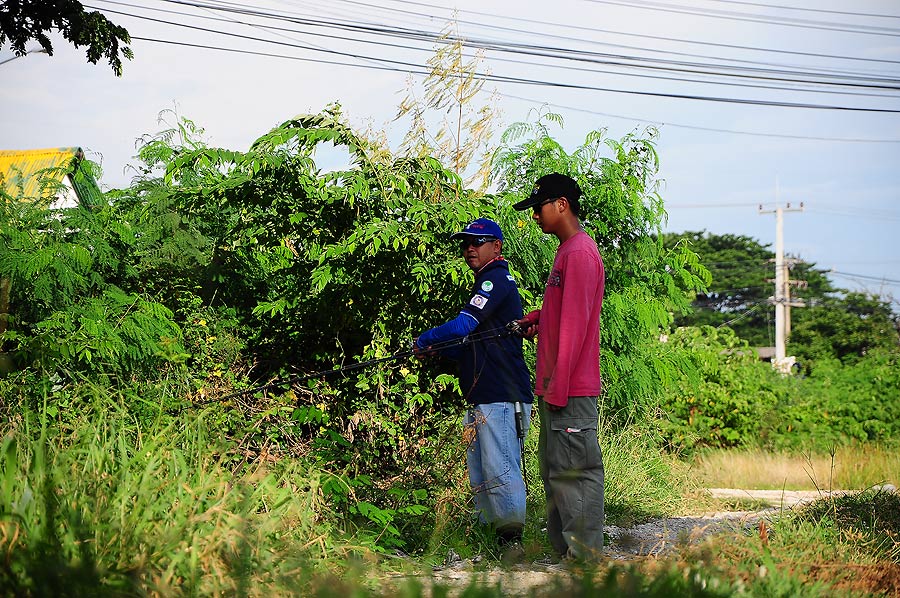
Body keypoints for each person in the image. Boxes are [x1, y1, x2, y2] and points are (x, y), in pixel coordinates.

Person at [414, 217, 533, 551]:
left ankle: (513, 544)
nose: (469, 249)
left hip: (502, 392)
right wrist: (436, 351)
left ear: (496, 246)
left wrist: (424, 339)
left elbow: (464, 325)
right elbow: (471, 344)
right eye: (465, 243)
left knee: (501, 468)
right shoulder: (486, 283)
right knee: (480, 474)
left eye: (477, 242)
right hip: (482, 393)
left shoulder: (495, 280)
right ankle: (489, 542)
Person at [512, 173, 606, 561]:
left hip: (568, 389)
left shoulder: (580, 253)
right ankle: (566, 555)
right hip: (555, 386)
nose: (534, 215)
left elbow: (575, 327)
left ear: (561, 205)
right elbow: (563, 315)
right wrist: (539, 317)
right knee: (555, 474)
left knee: (575, 474)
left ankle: (586, 560)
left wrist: (559, 388)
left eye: (539, 207)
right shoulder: (565, 251)